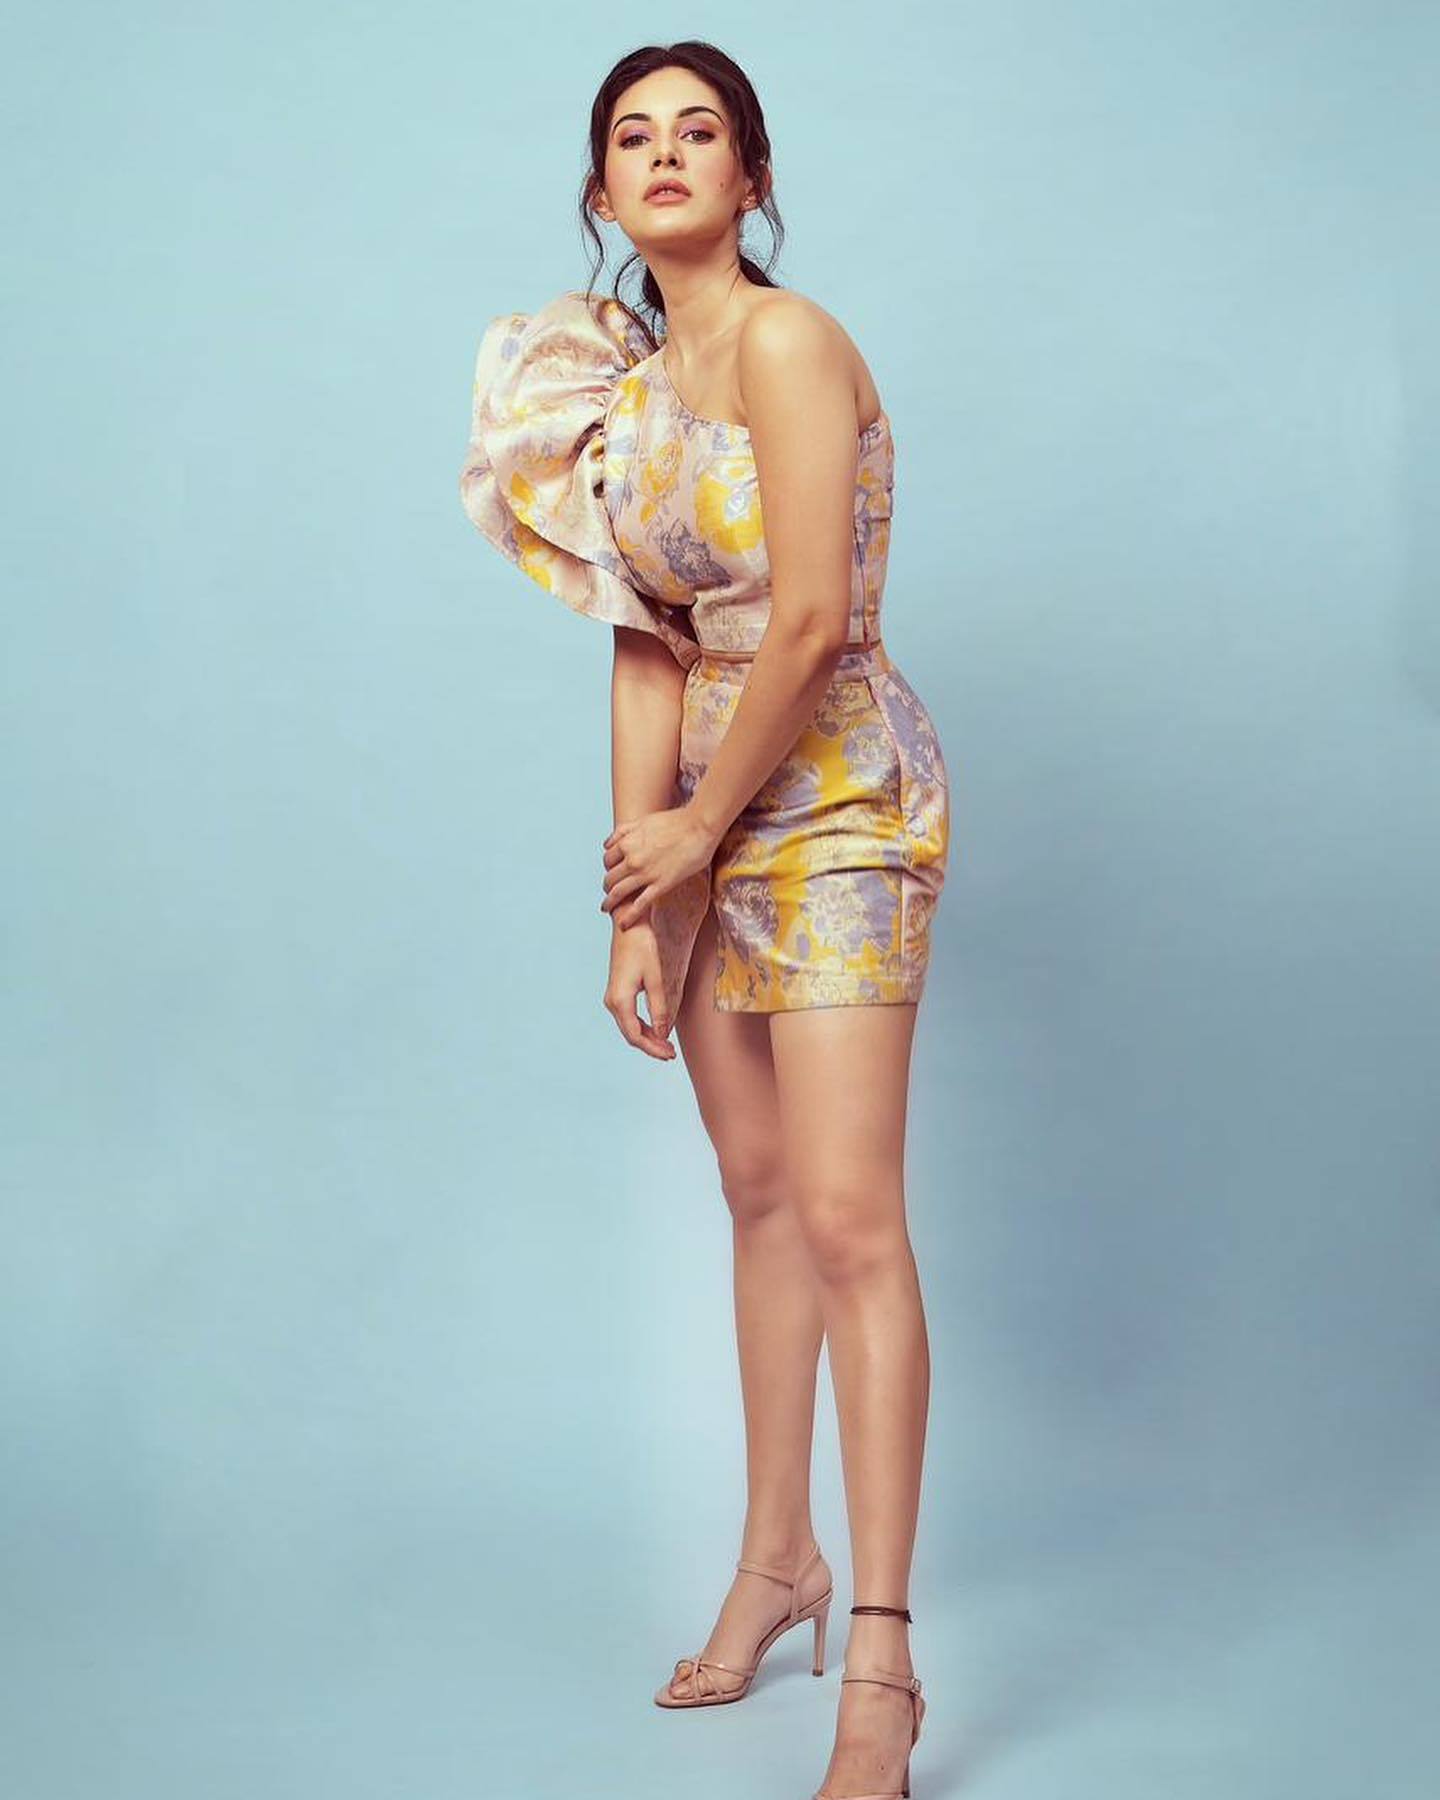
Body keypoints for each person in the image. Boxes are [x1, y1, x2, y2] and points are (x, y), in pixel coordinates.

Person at [460, 40, 949, 1800]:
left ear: (753, 176)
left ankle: (880, 1657)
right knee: (756, 1198)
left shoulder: (792, 343)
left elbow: (807, 617)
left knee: (848, 1215)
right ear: (602, 191)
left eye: (701, 131)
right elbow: (647, 649)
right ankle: (775, 1558)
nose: (666, 155)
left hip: (836, 805)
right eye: (633, 137)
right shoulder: (621, 396)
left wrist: (697, 829)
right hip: (703, 827)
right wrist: (637, 895)